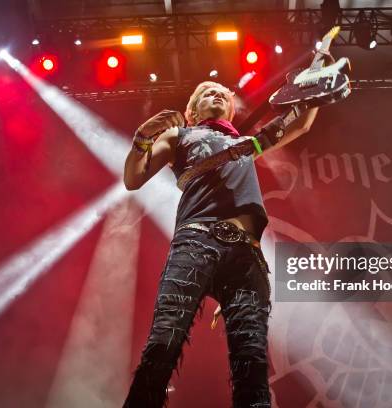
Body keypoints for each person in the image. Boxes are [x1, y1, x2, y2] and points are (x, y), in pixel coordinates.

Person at [122, 81, 318, 407]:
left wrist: (317, 88)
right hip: (196, 242)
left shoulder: (245, 143)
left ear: (230, 108)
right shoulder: (179, 136)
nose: (216, 96)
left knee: (252, 357)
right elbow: (133, 178)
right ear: (193, 109)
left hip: (247, 254)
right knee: (164, 339)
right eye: (206, 94)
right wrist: (143, 136)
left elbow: (301, 122)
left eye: (222, 95)